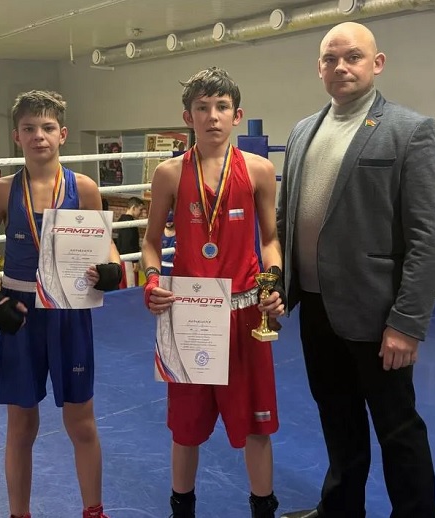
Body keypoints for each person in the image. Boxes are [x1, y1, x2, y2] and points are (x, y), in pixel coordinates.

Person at [276, 23, 435, 518]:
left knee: (397, 427)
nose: (341, 67)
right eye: (330, 58)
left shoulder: (410, 129)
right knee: (337, 417)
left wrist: (407, 323)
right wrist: (280, 287)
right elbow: (287, 219)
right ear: (319, 68)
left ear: (377, 63)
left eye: (353, 56)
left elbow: (429, 235)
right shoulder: (302, 131)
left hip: (378, 314)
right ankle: (340, 509)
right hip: (315, 306)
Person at [0, 89, 122, 518]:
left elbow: (106, 247)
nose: (39, 136)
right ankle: (19, 514)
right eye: (29, 128)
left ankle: (94, 512)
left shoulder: (84, 188)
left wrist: (111, 269)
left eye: (48, 127)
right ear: (17, 136)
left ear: (62, 134)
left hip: (70, 310)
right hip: (19, 313)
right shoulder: (2, 191)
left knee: (81, 421)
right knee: (21, 425)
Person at [141, 67, 284, 518]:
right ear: (189, 117)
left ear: (237, 115)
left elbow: (270, 239)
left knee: (257, 426)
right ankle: (181, 509)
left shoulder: (259, 170)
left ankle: (263, 510)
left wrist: (274, 281)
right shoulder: (168, 173)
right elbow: (150, 242)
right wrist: (151, 280)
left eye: (222, 107)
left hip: (246, 313)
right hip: (189, 315)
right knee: (185, 429)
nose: (212, 116)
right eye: (202, 108)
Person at [115, 196, 145, 288]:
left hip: (123, 259)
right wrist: (134, 260)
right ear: (133, 208)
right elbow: (128, 243)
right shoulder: (129, 222)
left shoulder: (123, 220)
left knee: (125, 286)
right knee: (130, 286)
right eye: (140, 210)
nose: (141, 213)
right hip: (128, 260)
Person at [160, 210, 176, 276]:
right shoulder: (159, 232)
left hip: (176, 264)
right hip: (162, 265)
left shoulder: (180, 232)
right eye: (167, 221)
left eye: (170, 221)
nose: (169, 223)